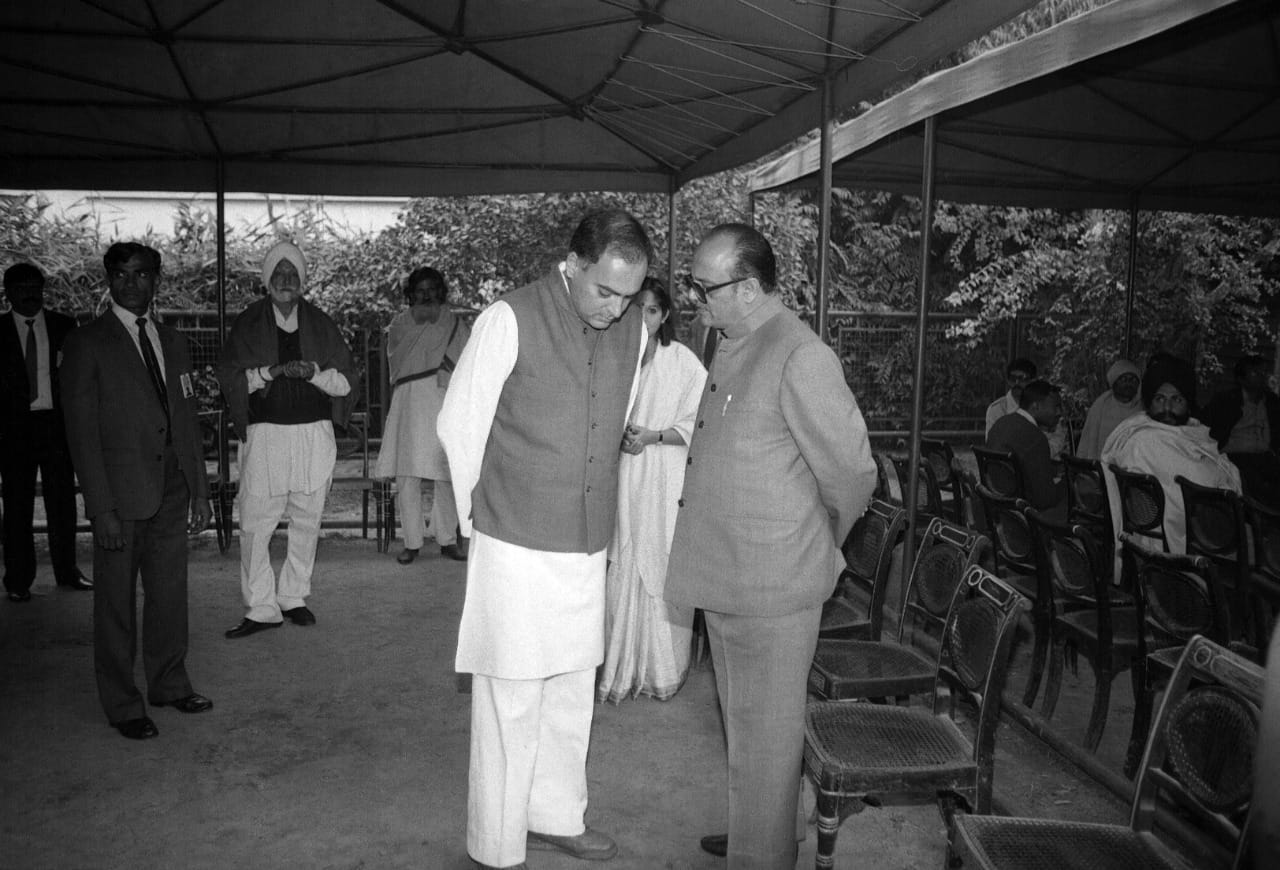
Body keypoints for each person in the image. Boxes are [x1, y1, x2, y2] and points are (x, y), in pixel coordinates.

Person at [437, 208, 652, 870]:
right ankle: (497, 843)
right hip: (515, 543)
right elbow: (459, 423)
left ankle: (557, 815)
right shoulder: (508, 317)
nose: (615, 309)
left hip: (586, 545)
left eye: (628, 296)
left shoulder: (634, 331)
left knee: (569, 686)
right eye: (604, 291)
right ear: (573, 264)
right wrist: (484, 524)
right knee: (512, 694)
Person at [664, 223, 877, 869]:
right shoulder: (734, 339)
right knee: (748, 736)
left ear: (751, 289)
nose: (696, 298)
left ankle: (762, 855)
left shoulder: (798, 352)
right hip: (729, 576)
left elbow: (852, 473)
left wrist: (811, 545)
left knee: (766, 739)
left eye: (706, 287)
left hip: (772, 585)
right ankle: (762, 831)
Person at [60, 242, 213, 740]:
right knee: (115, 603)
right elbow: (81, 434)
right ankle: (123, 701)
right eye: (121, 275)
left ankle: (169, 683)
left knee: (170, 596)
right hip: (119, 496)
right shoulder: (88, 343)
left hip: (171, 488)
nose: (132, 284)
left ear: (156, 279)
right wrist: (99, 506)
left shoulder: (174, 341)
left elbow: (187, 419)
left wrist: (201, 489)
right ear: (108, 280)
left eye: (141, 274)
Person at [216, 241, 357, 639]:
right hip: (265, 436)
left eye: (293, 274)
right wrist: (271, 371)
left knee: (307, 519)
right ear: (266, 280)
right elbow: (230, 378)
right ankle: (261, 606)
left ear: (302, 281)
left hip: (312, 435)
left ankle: (293, 596)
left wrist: (312, 372)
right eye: (278, 274)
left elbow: (346, 381)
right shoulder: (247, 323)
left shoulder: (322, 324)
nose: (285, 281)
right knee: (257, 522)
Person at [599, 277, 706, 703]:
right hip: (622, 478)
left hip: (663, 479)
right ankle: (620, 666)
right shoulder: (610, 356)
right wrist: (620, 437)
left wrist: (654, 436)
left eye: (652, 310)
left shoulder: (683, 362)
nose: (642, 318)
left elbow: (699, 423)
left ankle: (664, 667)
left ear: (664, 318)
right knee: (622, 561)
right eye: (636, 308)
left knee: (661, 564)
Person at [2, 262, 91, 602]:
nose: (29, 294)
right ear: (8, 293)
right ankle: (17, 581)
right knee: (17, 506)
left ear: (43, 289)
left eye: (34, 287)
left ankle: (68, 571)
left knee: (62, 503)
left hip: (55, 426)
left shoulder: (64, 326)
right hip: (14, 430)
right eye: (21, 288)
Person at [373, 267, 471, 564]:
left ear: (442, 292)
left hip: (445, 398)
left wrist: (448, 366)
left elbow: (469, 359)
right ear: (410, 295)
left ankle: (447, 539)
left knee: (447, 473)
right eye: (420, 291)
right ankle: (412, 541)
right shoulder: (400, 324)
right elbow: (398, 360)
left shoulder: (455, 322)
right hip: (410, 401)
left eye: (433, 289)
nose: (427, 295)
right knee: (407, 473)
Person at [1101, 355, 1241, 556]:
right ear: (1149, 402)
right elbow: (1200, 484)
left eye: (1176, 399)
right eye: (1159, 399)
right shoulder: (1146, 439)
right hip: (1186, 535)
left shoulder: (1188, 430)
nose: (1167, 408)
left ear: (1188, 403)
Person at [1203, 355, 1280, 506]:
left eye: (1264, 371)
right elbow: (1208, 430)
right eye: (1255, 372)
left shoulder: (1272, 402)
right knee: (1255, 486)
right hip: (1235, 457)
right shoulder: (1226, 401)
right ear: (1241, 379)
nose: (1262, 376)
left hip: (1265, 456)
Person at [986, 379, 1068, 517]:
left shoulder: (1001, 423)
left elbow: (1024, 464)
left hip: (999, 502)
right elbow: (1045, 499)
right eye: (1056, 406)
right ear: (1036, 407)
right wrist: (1068, 481)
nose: (1059, 413)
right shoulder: (1035, 437)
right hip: (1023, 515)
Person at [985, 356, 1070, 458]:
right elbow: (994, 447)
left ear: (1033, 381)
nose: (1016, 383)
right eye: (1013, 379)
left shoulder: (1046, 407)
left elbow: (1057, 444)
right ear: (1007, 380)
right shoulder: (997, 409)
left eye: (1022, 379)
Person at [1076, 359, 1143, 460]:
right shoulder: (1101, 406)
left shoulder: (1143, 409)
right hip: (1101, 467)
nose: (1128, 383)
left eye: (1133, 380)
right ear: (1113, 383)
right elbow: (1089, 444)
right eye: (1123, 379)